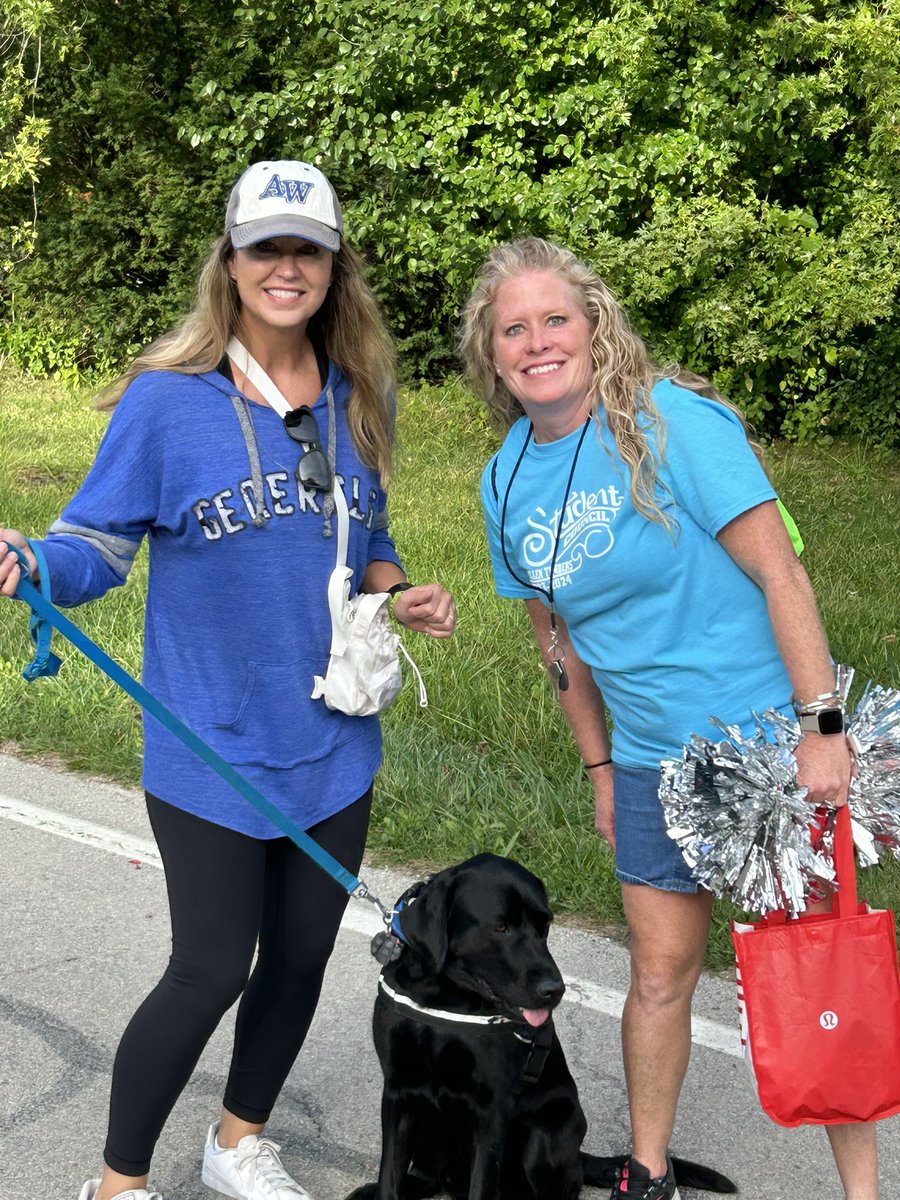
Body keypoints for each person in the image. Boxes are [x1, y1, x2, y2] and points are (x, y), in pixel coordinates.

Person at [0, 159, 456, 1200]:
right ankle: (118, 1184)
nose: (287, 268)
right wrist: (34, 563)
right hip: (210, 744)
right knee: (209, 968)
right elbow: (96, 545)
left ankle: (237, 1142)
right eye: (266, 248)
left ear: (334, 267)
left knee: (300, 960)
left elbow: (368, 536)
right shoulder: (168, 403)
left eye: (308, 250)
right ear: (231, 262)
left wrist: (399, 593)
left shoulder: (358, 396)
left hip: (333, 741)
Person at [459, 236, 879, 1200]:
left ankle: (862, 1191)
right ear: (492, 354)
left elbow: (781, 571)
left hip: (766, 750)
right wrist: (602, 770)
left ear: (594, 325)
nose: (536, 343)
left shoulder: (668, 423)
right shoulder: (504, 480)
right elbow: (556, 643)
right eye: (513, 329)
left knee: (817, 972)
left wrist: (821, 727)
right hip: (651, 763)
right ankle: (647, 1175)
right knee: (659, 973)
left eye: (554, 319)